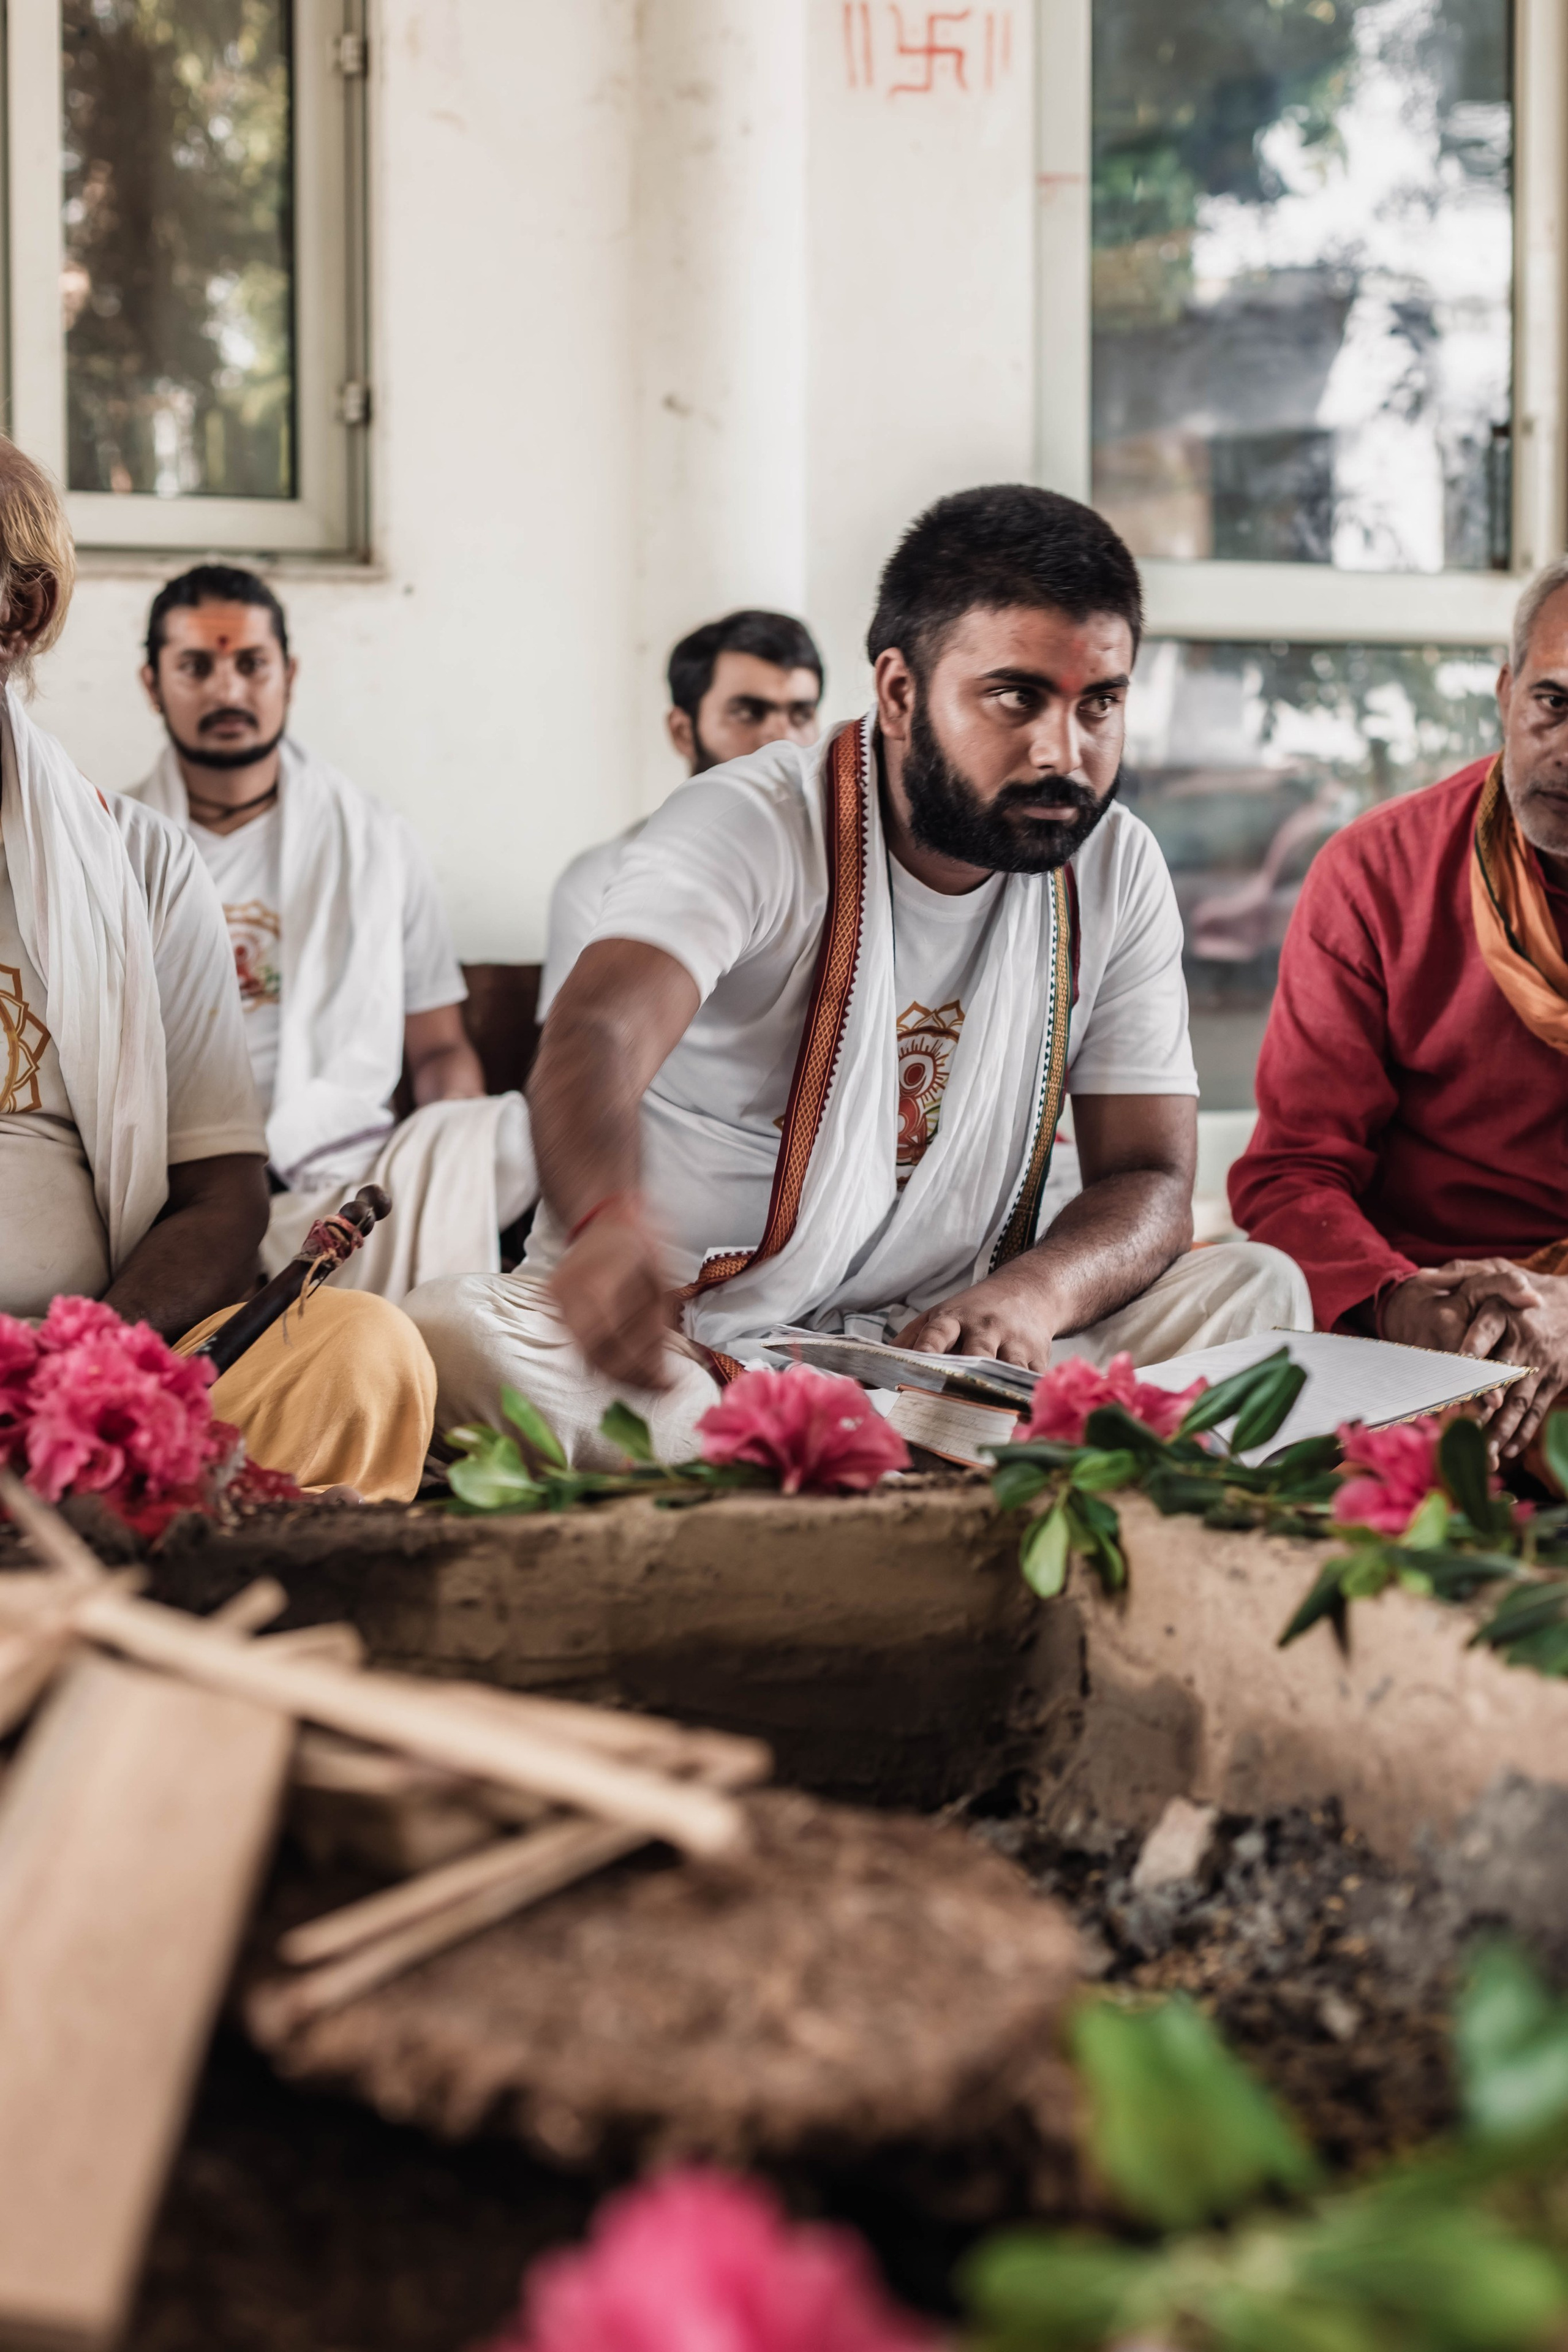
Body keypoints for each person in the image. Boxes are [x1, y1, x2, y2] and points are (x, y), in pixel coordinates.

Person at [410, 486, 1308, 1461]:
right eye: (1016, 697)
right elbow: (595, 1034)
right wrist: (605, 1225)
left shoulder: (1115, 865)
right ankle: (903, 1453)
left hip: (956, 1346)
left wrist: (1035, 1293)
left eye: (1099, 703)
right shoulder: (753, 821)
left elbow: (1152, 1180)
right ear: (898, 692)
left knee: (1259, 1293)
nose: (1064, 753)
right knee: (454, 1334)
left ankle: (863, 1452)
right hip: (691, 1343)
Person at [0, 440, 434, 1498]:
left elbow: (222, 1201)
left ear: (20, 606)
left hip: (92, 1363)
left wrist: (79, 1373)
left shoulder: (136, 863)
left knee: (362, 1354)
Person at [1231, 557, 1568, 1468]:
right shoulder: (1376, 875)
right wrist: (1399, 1300)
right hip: (1428, 1332)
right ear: (1506, 692)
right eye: (1554, 704)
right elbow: (1291, 1174)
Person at [126, 566, 536, 1303]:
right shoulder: (107, 848)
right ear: (152, 685)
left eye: (251, 663)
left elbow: (439, 1048)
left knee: (515, 1140)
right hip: (170, 1187)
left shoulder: (375, 841)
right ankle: (324, 1300)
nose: (227, 692)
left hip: (347, 1181)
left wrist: (455, 1155)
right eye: (196, 667)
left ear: (289, 674)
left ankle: (296, 1292)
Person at [540, 609, 825, 1015]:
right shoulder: (598, 881)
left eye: (801, 714)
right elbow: (584, 1051)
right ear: (682, 732)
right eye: (748, 712)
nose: (782, 740)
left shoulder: (855, 871)